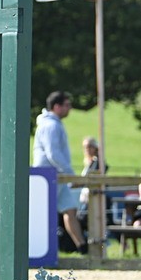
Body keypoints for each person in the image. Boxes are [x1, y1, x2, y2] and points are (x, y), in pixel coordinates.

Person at [33, 91, 86, 253]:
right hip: (49, 175)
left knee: (70, 209)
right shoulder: (51, 125)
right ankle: (40, 248)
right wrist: (70, 172)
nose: (70, 108)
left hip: (57, 175)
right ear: (57, 107)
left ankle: (82, 247)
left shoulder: (52, 124)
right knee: (43, 213)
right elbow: (53, 153)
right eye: (67, 105)